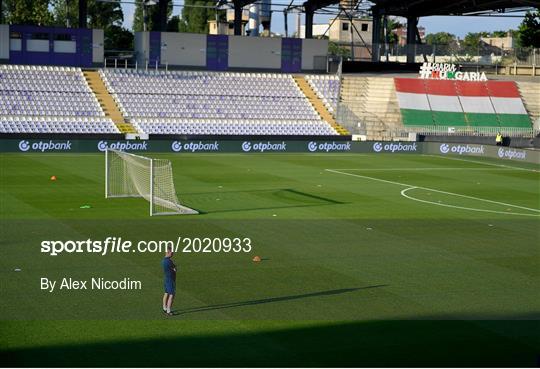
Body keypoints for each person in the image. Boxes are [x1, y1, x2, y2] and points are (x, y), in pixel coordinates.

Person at [161, 246, 177, 316]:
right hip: (171, 280)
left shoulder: (163, 261)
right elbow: (175, 269)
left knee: (166, 293)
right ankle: (168, 310)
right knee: (172, 295)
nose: (173, 253)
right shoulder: (169, 261)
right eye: (172, 252)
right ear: (168, 252)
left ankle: (164, 308)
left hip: (166, 279)